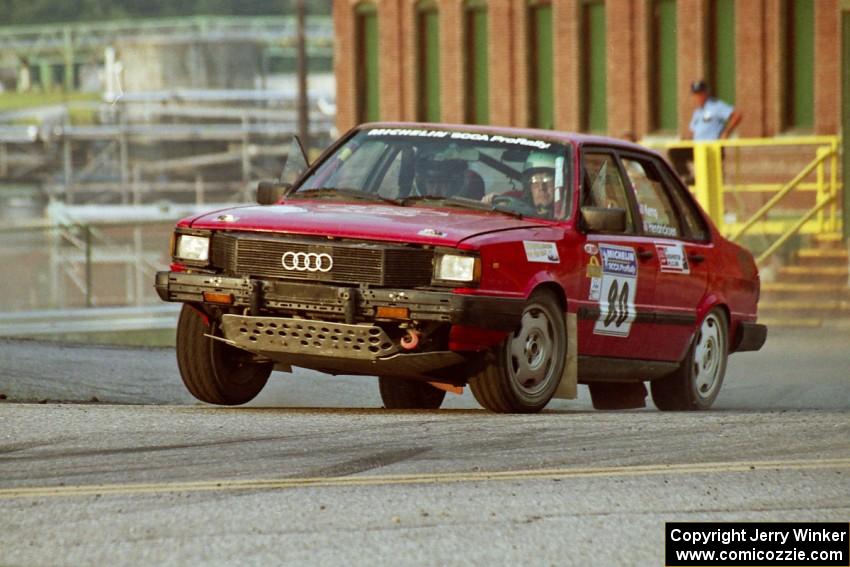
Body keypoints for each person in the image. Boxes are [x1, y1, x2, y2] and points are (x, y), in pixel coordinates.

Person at [669, 80, 743, 184]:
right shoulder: (697, 112)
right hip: (698, 147)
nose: (698, 97)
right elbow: (694, 131)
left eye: (700, 94)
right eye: (695, 94)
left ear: (706, 93)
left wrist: (726, 132)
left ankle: (714, 175)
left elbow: (737, 115)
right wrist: (685, 140)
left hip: (711, 148)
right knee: (675, 151)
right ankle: (687, 177)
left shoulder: (716, 106)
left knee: (710, 179)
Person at [482, 151, 558, 217]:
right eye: (535, 180)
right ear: (529, 187)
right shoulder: (514, 210)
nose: (541, 187)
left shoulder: (565, 218)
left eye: (547, 179)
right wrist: (488, 204)